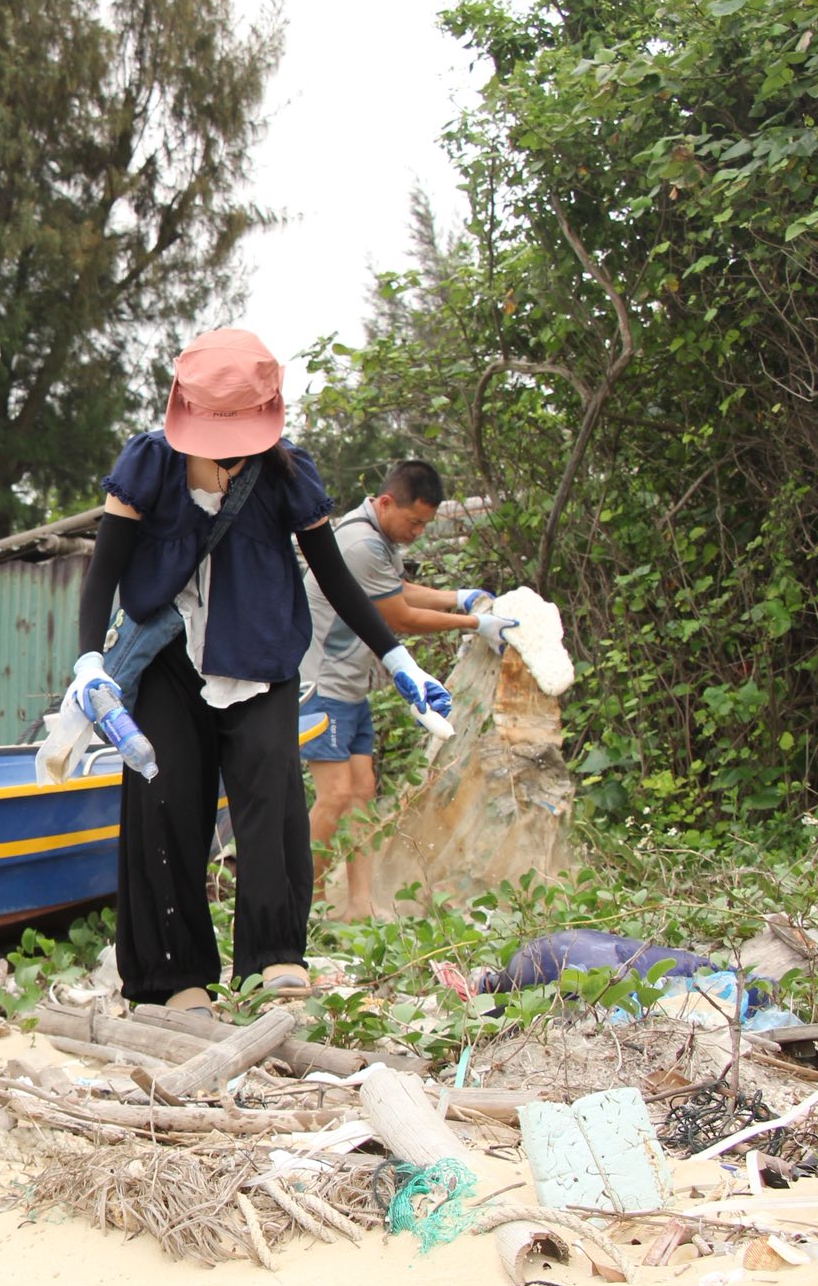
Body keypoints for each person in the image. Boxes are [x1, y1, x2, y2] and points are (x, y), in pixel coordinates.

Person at [64, 328, 454, 1011]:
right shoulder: (149, 465)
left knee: (270, 805)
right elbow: (105, 572)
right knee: (165, 807)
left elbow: (336, 578)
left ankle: (274, 960)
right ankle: (173, 975)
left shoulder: (287, 473)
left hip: (263, 660)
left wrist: (398, 660)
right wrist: (89, 660)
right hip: (169, 665)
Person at [299, 460, 517, 920]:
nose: (418, 531)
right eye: (414, 521)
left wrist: (458, 597)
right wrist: (476, 622)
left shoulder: (379, 539)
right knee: (335, 796)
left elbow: (395, 589)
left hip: (350, 687)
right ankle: (306, 903)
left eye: (425, 524)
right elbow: (397, 616)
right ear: (385, 502)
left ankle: (358, 906)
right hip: (319, 684)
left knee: (361, 795)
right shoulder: (358, 542)